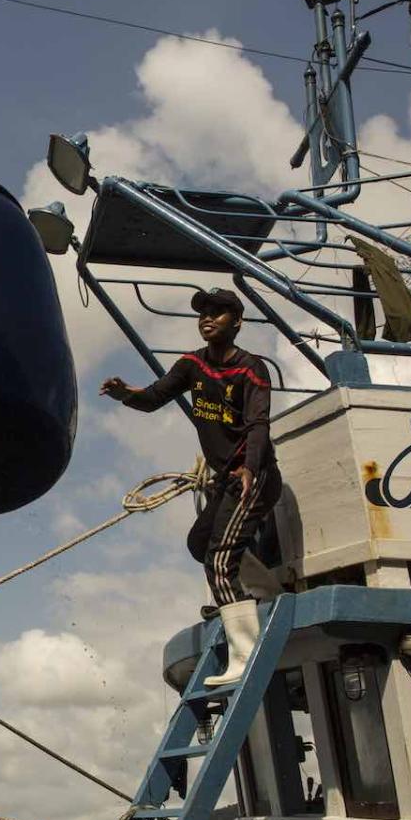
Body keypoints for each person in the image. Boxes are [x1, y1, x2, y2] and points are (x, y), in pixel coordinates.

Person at [100, 287, 281, 686]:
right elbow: (153, 398)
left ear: (236, 323)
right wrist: (125, 394)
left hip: (253, 477)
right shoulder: (192, 365)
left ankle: (246, 654)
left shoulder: (251, 369)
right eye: (203, 313)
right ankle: (258, 596)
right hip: (225, 479)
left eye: (218, 313)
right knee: (201, 544)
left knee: (219, 561)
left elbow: (258, 425)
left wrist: (250, 468)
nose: (207, 319)